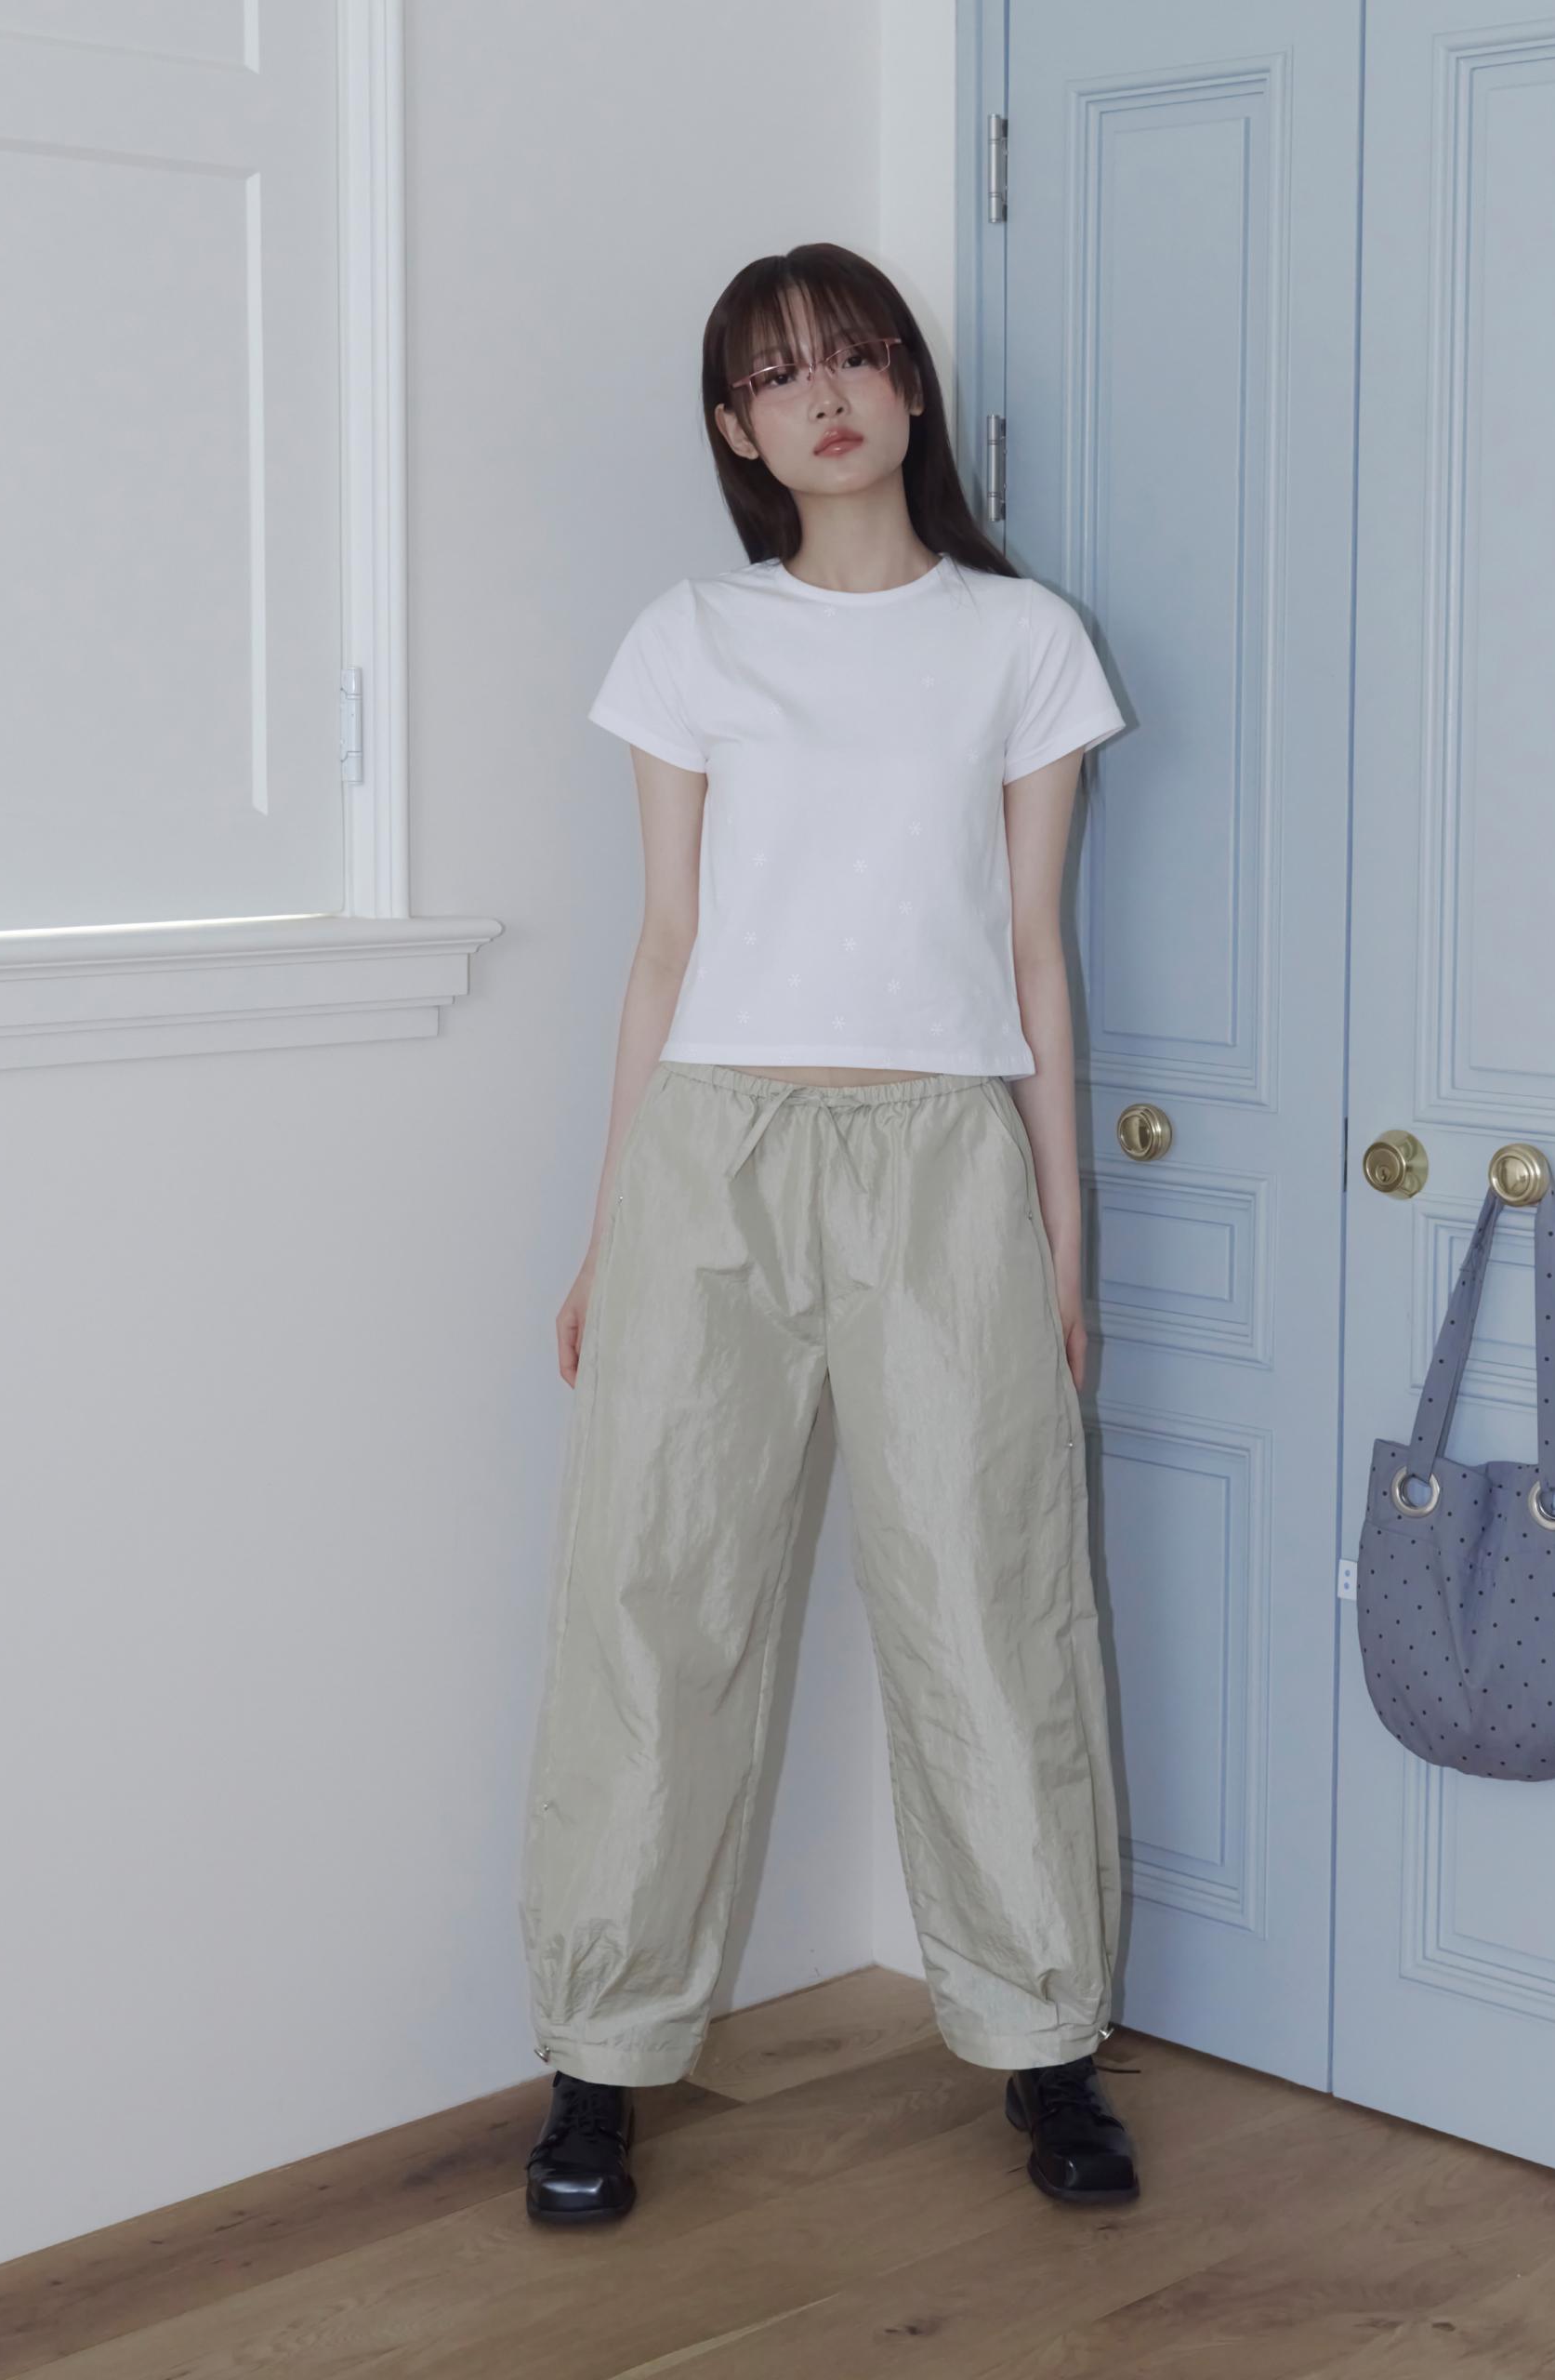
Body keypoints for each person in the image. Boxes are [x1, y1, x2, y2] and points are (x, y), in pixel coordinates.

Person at [519, 242, 1137, 2224]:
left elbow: (1036, 960)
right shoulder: (693, 637)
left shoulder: (1020, 640)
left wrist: (1063, 1248)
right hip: (715, 1154)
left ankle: (1045, 2035)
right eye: (781, 375)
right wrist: (610, 1231)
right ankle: (603, 2053)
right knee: (657, 1595)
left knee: (991, 1597)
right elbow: (665, 948)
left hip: (946, 1157)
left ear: (911, 388)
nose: (828, 396)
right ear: (737, 428)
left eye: (858, 356)